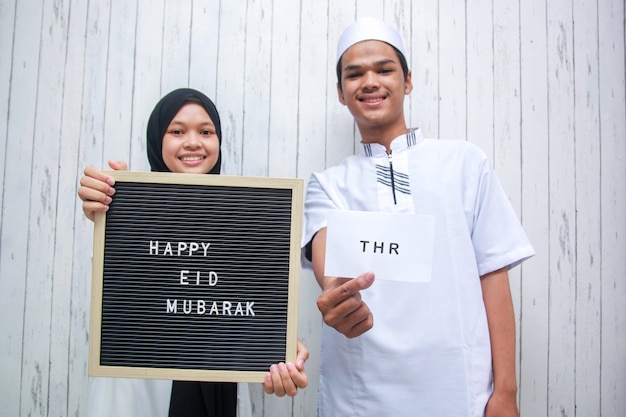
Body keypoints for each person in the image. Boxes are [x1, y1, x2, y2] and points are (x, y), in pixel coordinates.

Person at [301, 18, 534, 417]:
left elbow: (493, 276)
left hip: (459, 390)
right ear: (341, 93)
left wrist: (506, 393)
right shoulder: (327, 185)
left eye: (384, 69)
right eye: (354, 74)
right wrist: (338, 301)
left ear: (407, 81)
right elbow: (331, 275)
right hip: (361, 397)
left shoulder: (465, 163)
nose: (370, 81)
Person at [79, 88, 308, 417]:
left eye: (206, 131)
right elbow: (121, 286)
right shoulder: (126, 210)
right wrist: (109, 208)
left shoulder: (242, 225)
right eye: (177, 131)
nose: (192, 142)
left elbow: (242, 305)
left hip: (215, 386)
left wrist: (279, 346)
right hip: (137, 389)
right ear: (157, 140)